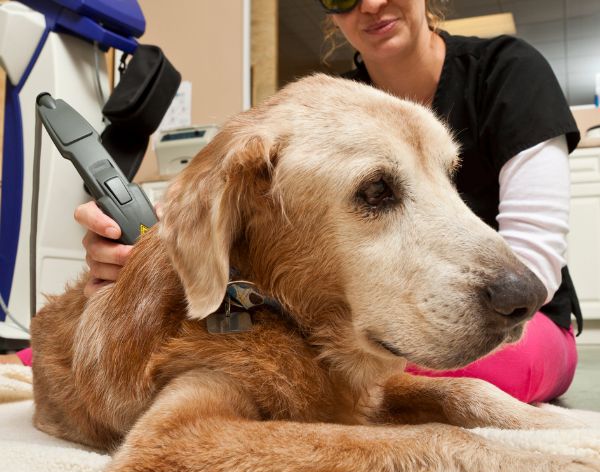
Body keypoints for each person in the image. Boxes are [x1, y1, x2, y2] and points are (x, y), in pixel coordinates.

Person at [2, 0, 583, 406]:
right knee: (249, 345)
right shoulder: (329, 112)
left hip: (525, 317)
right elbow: (262, 266)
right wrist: (158, 256)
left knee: (290, 366)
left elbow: (532, 265)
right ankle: (37, 362)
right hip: (345, 326)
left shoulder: (509, 71)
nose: (372, 4)